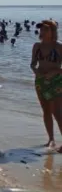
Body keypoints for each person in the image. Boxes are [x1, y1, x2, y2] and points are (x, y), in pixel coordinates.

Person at [30, 19, 62, 150]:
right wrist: (35, 70)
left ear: (53, 31)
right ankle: (51, 139)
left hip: (56, 81)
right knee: (46, 111)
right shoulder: (37, 46)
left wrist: (55, 71)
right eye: (41, 28)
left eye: (46, 28)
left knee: (57, 112)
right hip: (40, 81)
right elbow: (32, 63)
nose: (42, 31)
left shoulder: (59, 46)